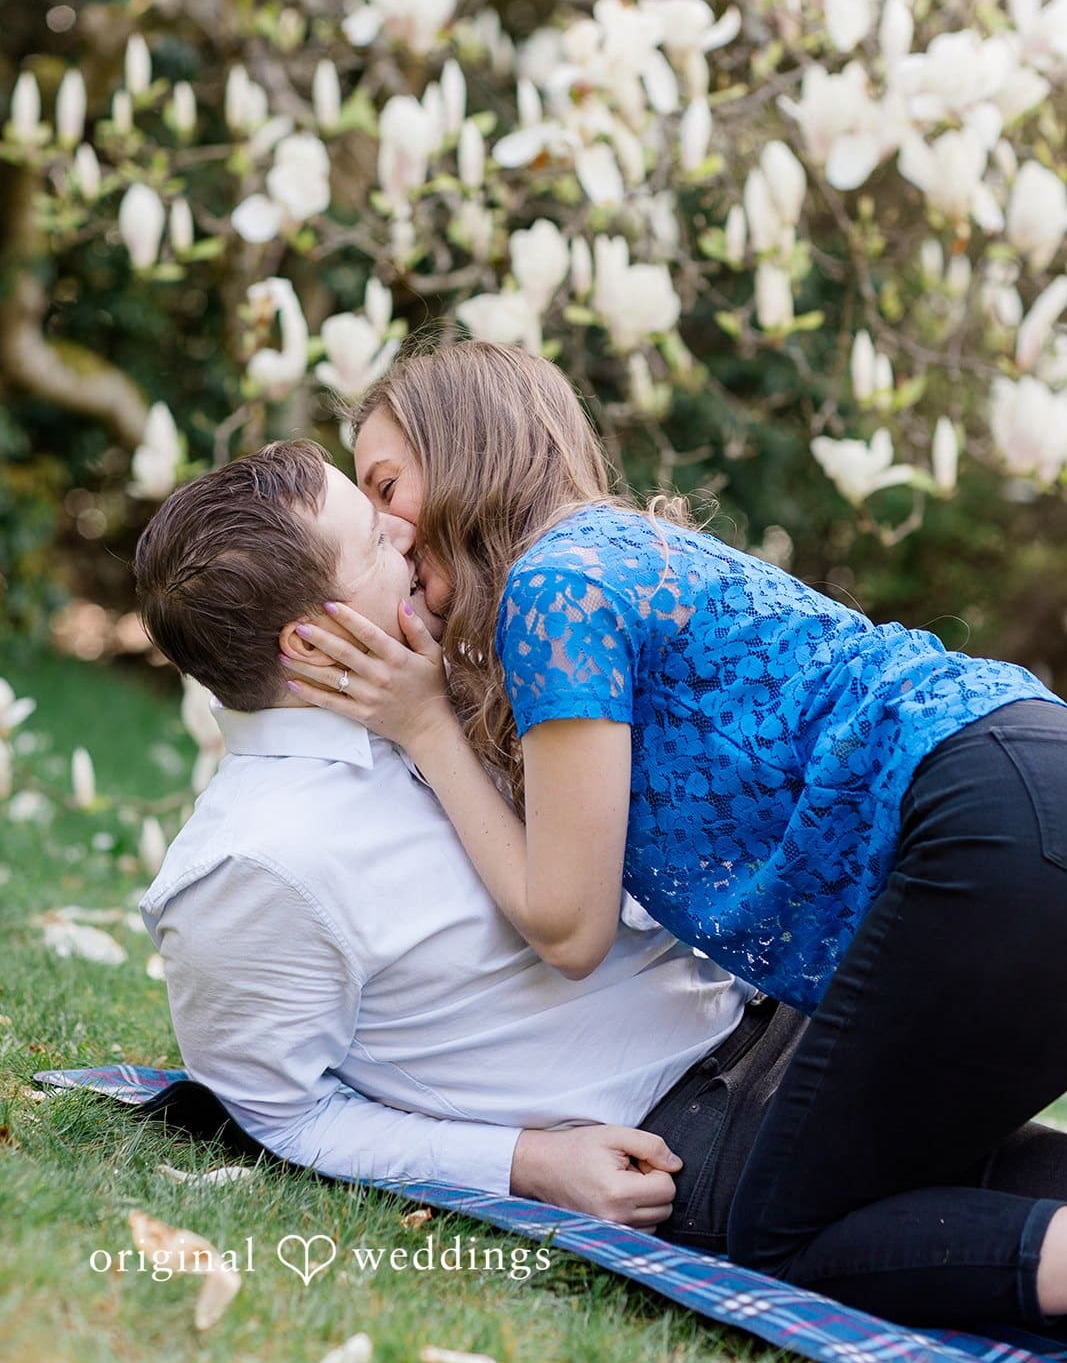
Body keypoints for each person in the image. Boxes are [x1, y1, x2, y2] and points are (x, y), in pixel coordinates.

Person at [282, 341, 1067, 1332]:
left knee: (781, 1233)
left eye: (386, 485)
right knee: (919, 1163)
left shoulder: (551, 593)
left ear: (467, 453)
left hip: (978, 819)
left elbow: (566, 929)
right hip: (1022, 770)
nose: (384, 527)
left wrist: (424, 723)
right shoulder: (610, 553)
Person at [133, 437, 816, 1240]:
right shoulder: (255, 865)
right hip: (686, 1137)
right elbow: (282, 1120)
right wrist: (520, 1161)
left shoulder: (452, 683)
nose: (404, 532)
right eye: (371, 541)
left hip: (780, 1014)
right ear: (312, 644)